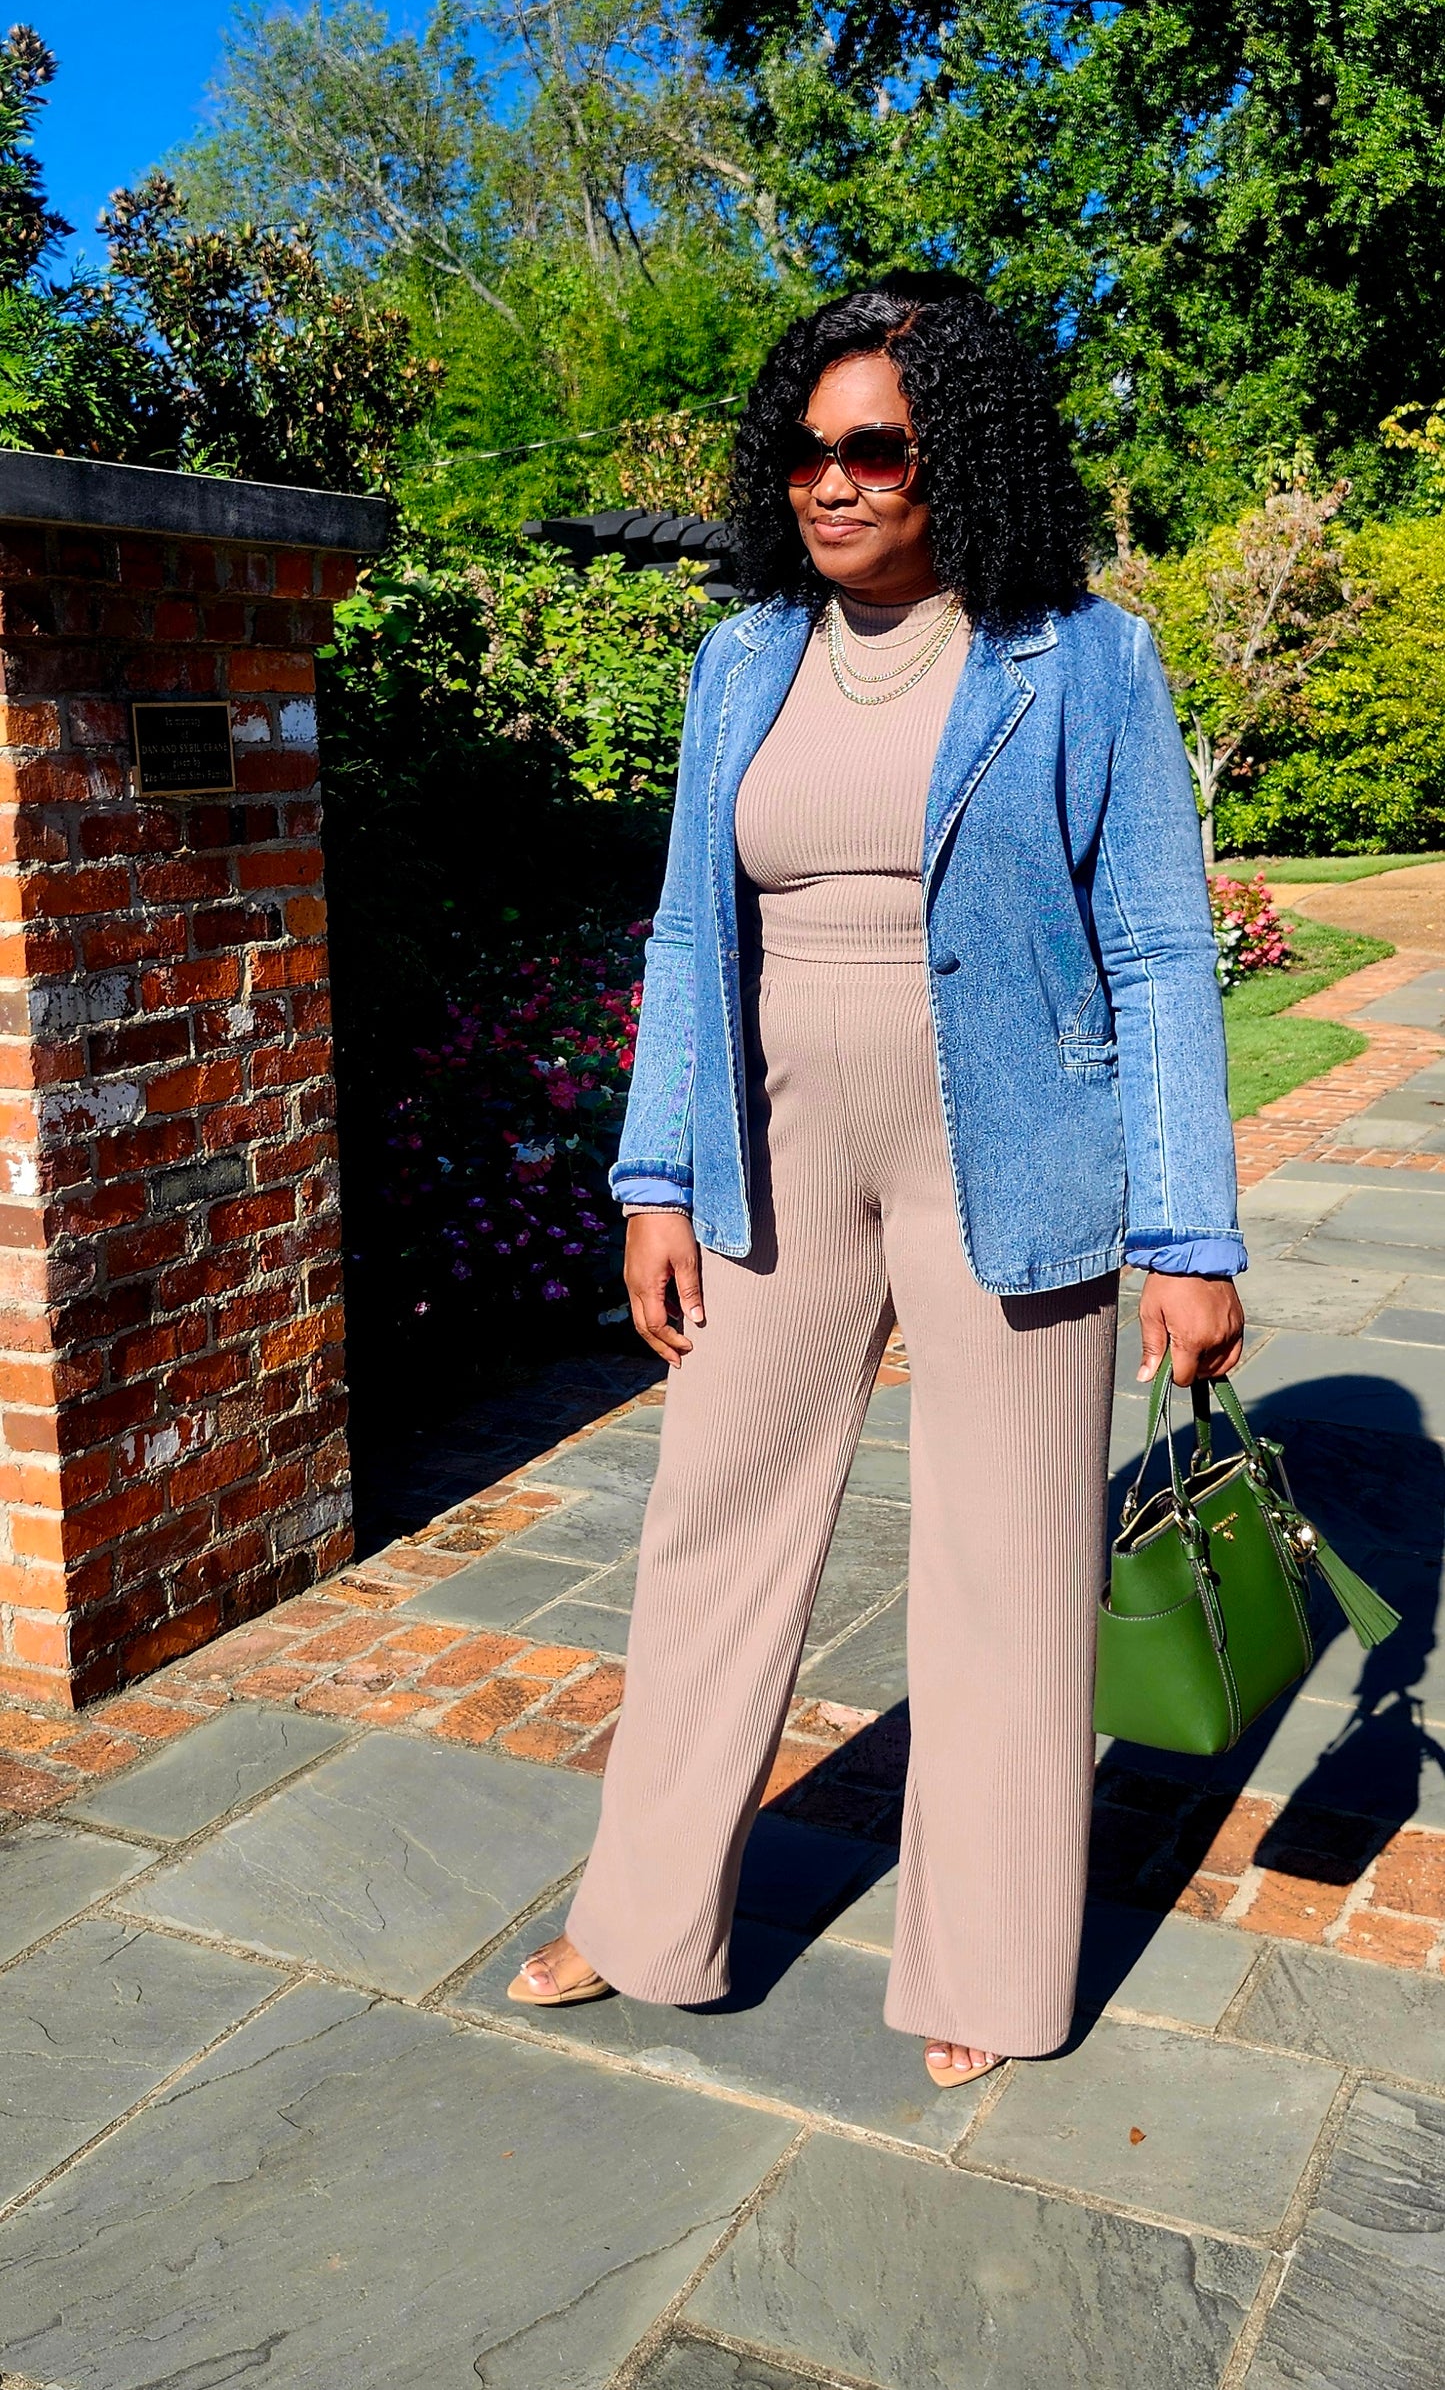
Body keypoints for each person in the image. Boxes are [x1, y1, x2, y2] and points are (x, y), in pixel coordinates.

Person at [508, 272, 1246, 2088]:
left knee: (1006, 1565)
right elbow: (690, 928)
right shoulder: (743, 657)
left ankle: (988, 1977)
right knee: (710, 1524)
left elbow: (1156, 950)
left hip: (1013, 1138)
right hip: (774, 1140)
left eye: (874, 451)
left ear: (957, 459)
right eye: (805, 453)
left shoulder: (1078, 655)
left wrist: (1187, 1233)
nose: (829, 485)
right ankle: (644, 1910)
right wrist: (655, 1177)